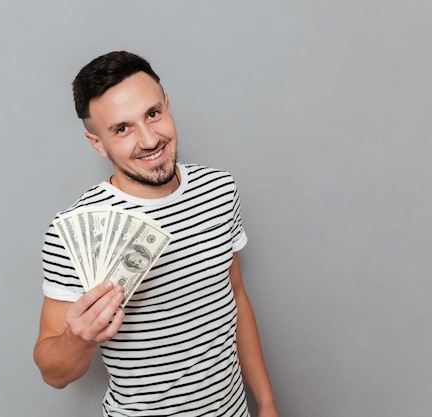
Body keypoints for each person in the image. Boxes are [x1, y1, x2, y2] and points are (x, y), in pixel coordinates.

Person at [34, 50, 279, 417]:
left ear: (167, 105)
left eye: (153, 114)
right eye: (122, 128)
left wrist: (266, 402)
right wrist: (79, 339)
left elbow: (236, 297)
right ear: (97, 143)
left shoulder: (220, 191)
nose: (149, 140)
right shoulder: (72, 231)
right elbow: (53, 374)